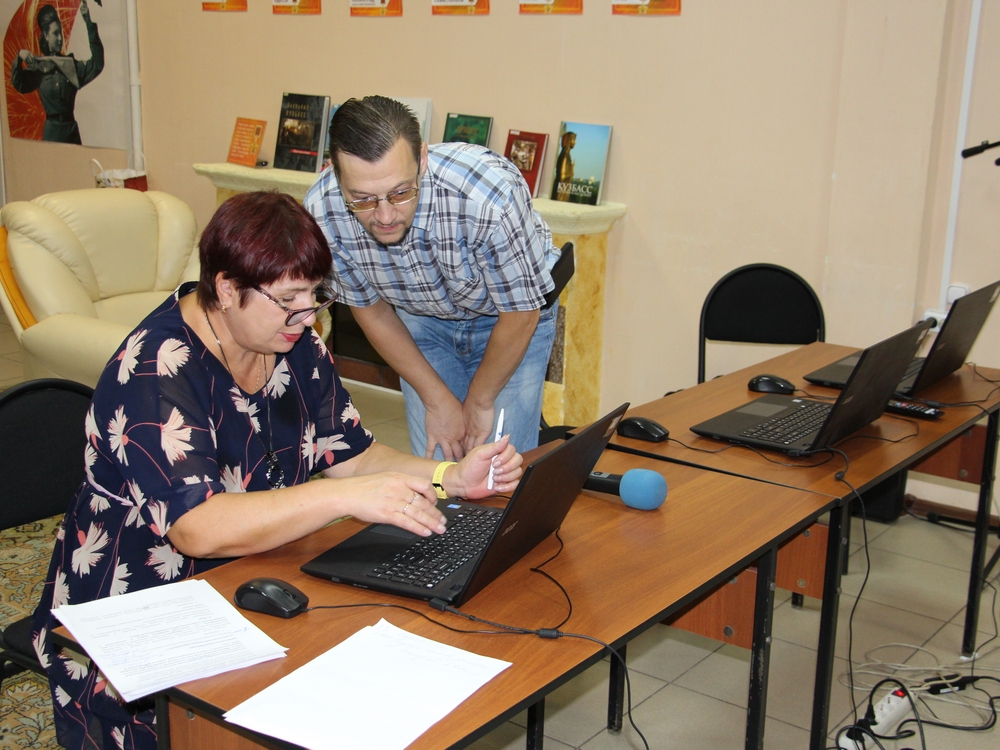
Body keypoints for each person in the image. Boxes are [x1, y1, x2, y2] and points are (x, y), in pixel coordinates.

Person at [31, 191, 522, 750]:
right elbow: (198, 528)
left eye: (315, 295)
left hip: (252, 572)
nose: (309, 316)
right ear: (225, 289)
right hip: (141, 606)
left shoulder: (291, 340)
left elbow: (350, 454)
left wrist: (449, 476)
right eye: (289, 299)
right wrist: (344, 499)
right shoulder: (155, 369)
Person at [305, 96, 560, 461]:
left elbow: (521, 314)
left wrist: (480, 400)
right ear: (335, 173)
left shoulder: (488, 197)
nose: (385, 216)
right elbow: (372, 312)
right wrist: (437, 400)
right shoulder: (323, 213)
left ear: (422, 159)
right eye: (362, 199)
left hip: (511, 318)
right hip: (421, 319)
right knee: (440, 467)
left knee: (499, 469)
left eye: (400, 192)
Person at [10, 0, 104, 144]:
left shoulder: (71, 65)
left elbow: (97, 63)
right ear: (46, 36)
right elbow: (19, 84)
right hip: (52, 133)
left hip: (71, 133)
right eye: (55, 34)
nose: (60, 38)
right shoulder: (39, 66)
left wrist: (88, 22)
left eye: (60, 33)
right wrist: (19, 56)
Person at [550, 130, 576, 202]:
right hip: (561, 192)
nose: (575, 142)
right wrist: (571, 170)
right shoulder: (565, 154)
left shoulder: (565, 153)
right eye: (574, 140)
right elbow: (563, 175)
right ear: (569, 140)